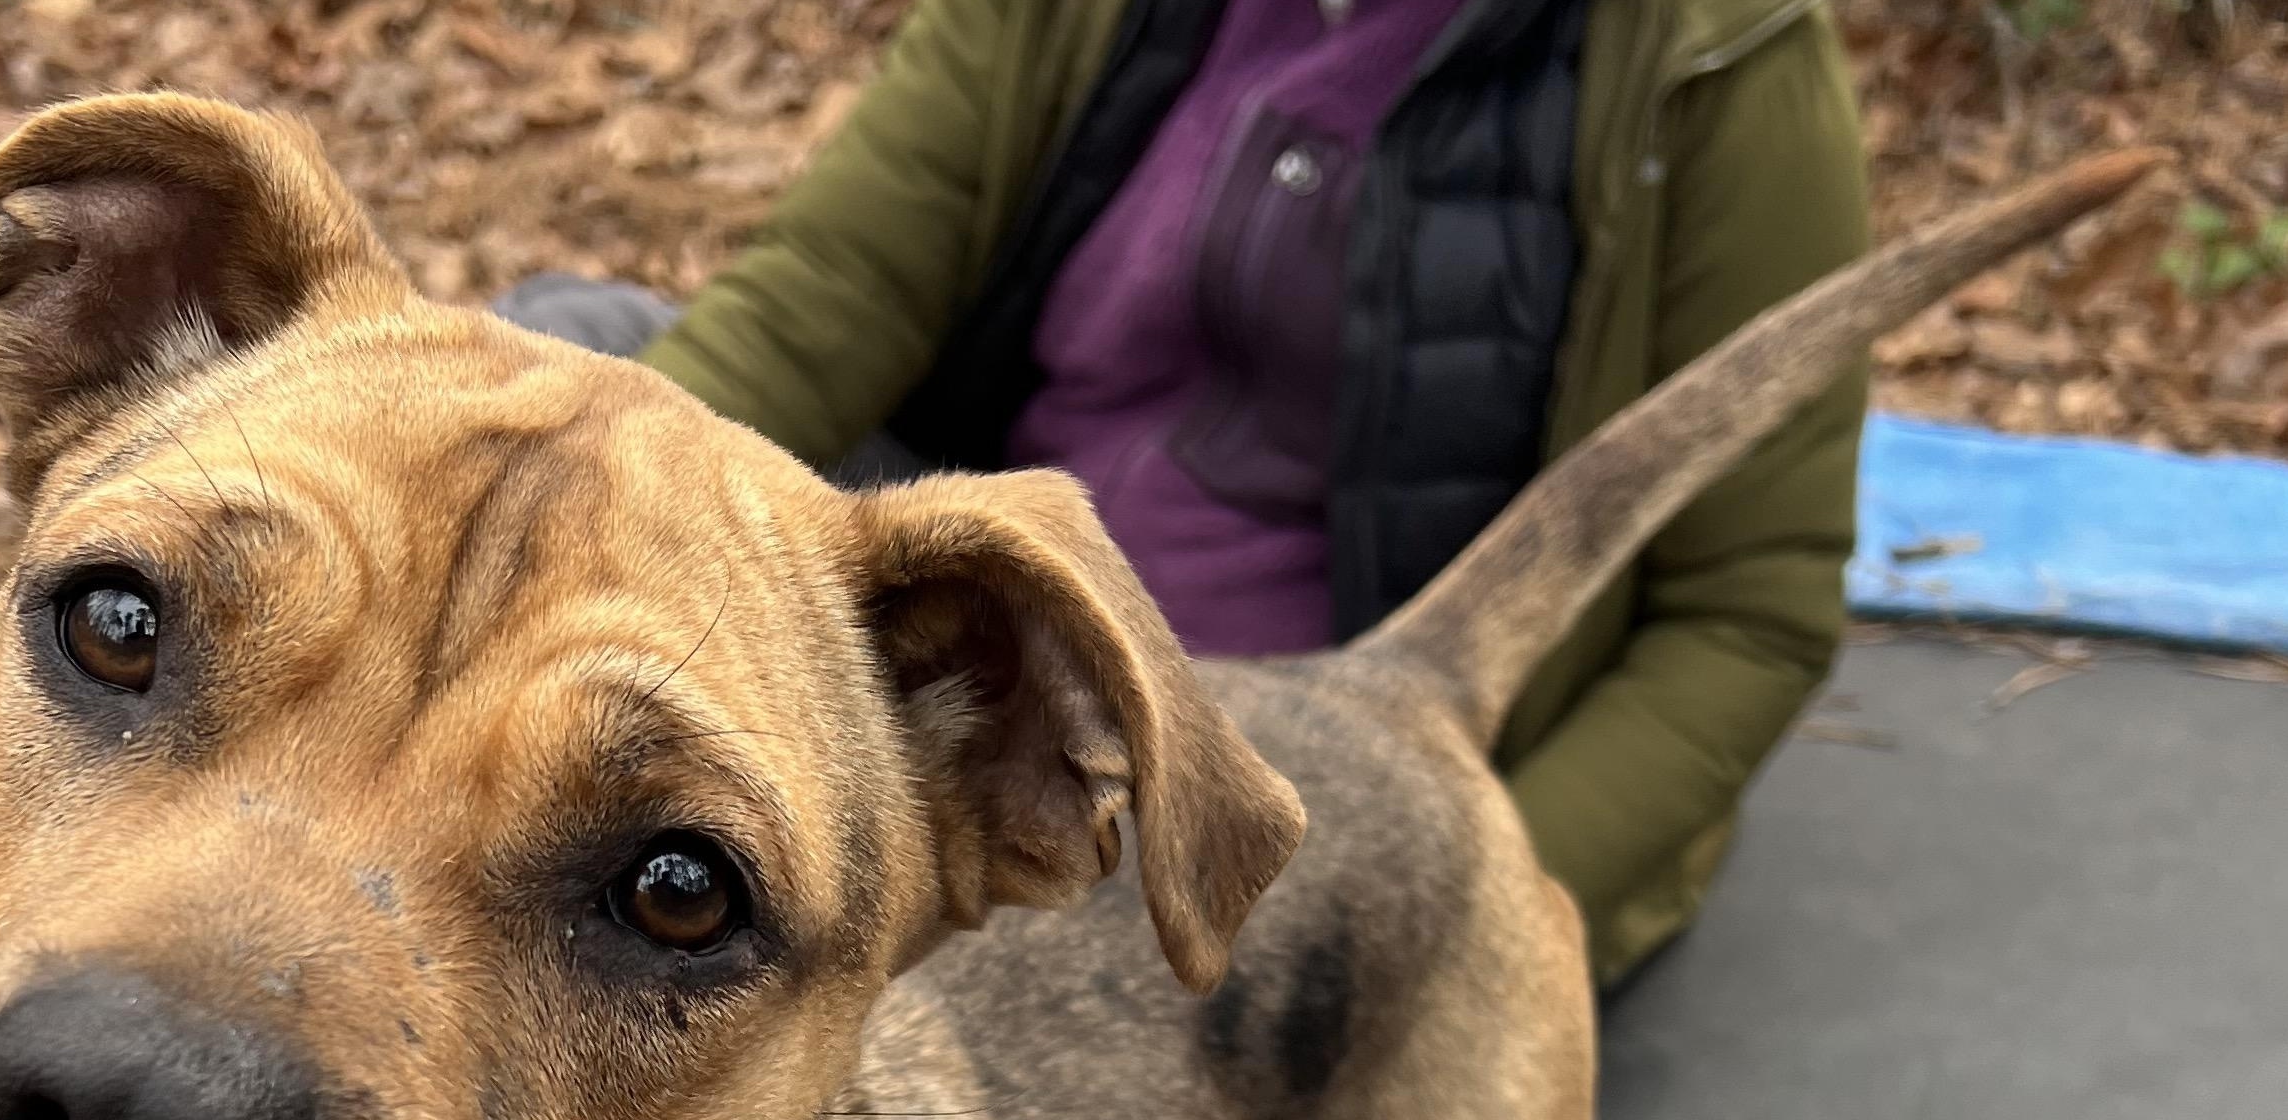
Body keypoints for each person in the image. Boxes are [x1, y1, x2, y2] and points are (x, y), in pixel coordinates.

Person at [545, 0, 1871, 989]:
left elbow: (1745, 616)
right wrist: (581, 559)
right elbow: (829, 293)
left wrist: (1436, 893)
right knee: (577, 333)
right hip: (1004, 633)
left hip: (1297, 755)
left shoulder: (1722, 59)